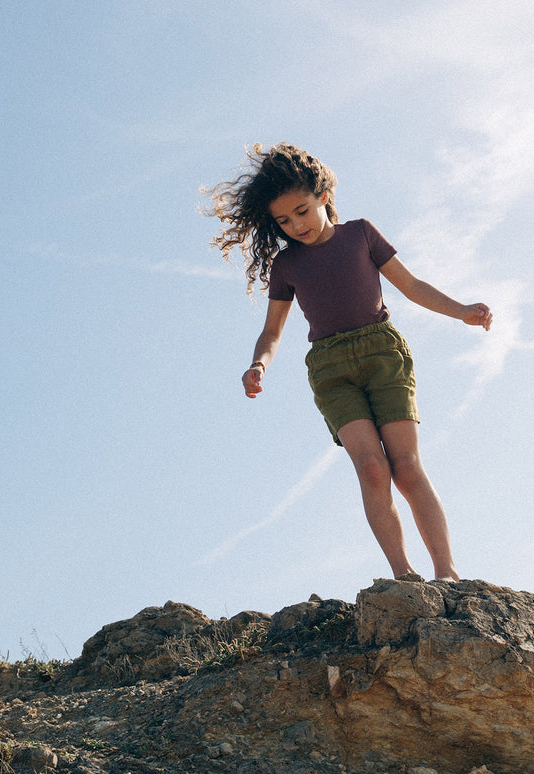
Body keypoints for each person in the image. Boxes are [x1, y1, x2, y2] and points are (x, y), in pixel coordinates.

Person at [206, 143, 492, 582]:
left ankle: (447, 572)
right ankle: (403, 573)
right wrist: (259, 364)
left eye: (301, 211)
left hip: (383, 356)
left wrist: (462, 311)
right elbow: (273, 331)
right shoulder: (287, 266)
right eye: (283, 220)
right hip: (331, 370)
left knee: (406, 467)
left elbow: (411, 285)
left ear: (323, 196)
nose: (294, 225)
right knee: (373, 469)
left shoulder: (360, 234)